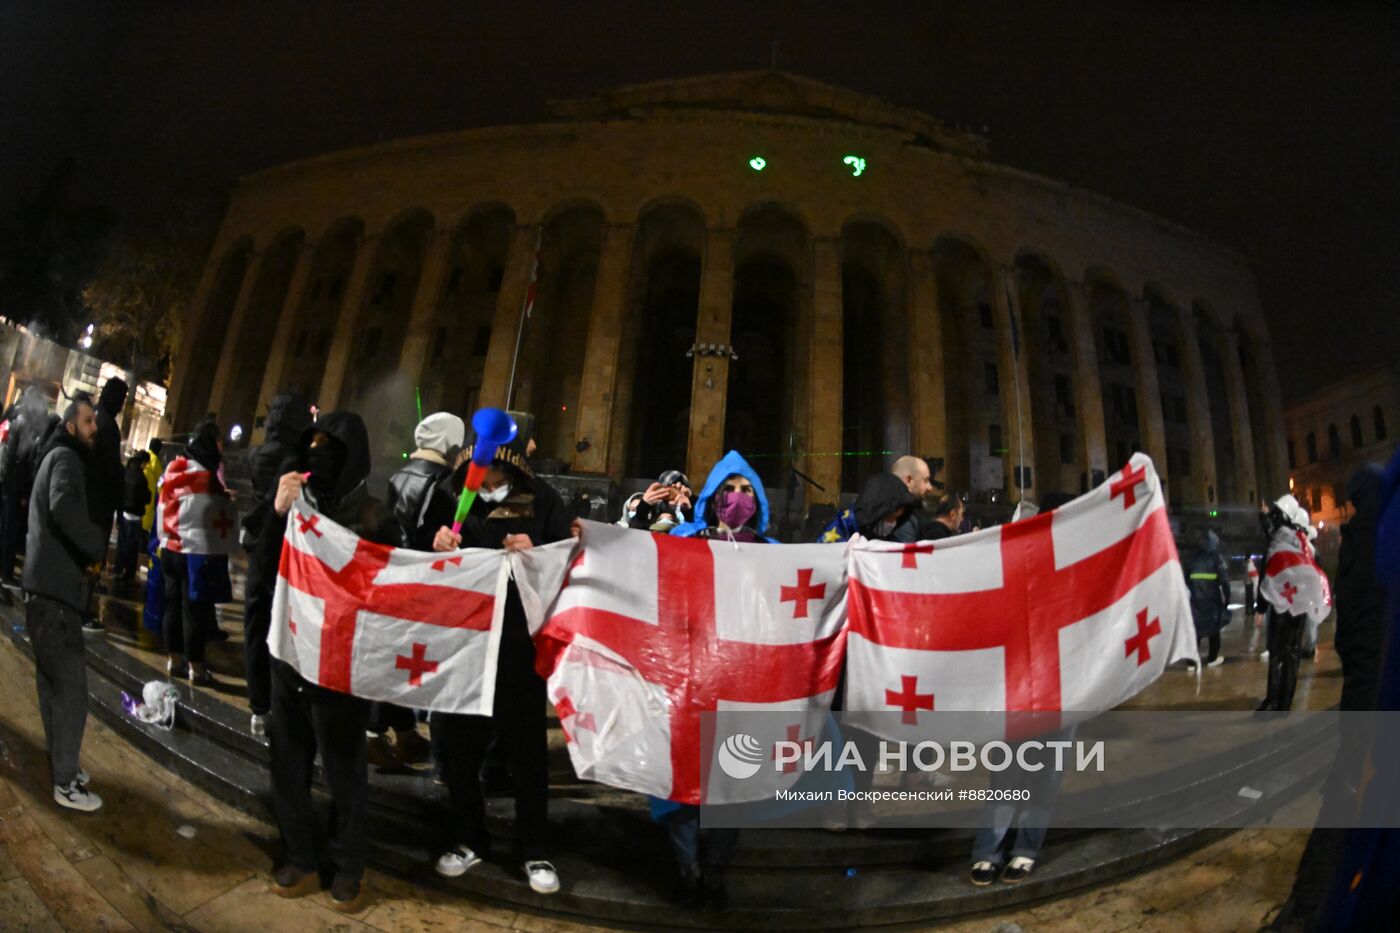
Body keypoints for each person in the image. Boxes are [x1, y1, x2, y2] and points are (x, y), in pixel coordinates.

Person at [256, 410, 397, 912]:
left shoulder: (375, 514)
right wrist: (276, 513)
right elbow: (261, 568)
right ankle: (300, 855)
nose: (317, 452)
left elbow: (395, 588)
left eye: (328, 445)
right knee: (288, 766)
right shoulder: (295, 503)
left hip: (341, 671)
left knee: (344, 775)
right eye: (311, 444)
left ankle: (349, 865)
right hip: (290, 659)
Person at [425, 418, 572, 896]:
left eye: (495, 471)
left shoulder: (544, 500)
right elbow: (412, 550)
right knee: (461, 748)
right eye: (479, 468)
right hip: (462, 644)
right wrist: (435, 544)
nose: (487, 478)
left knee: (527, 752)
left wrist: (539, 551)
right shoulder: (448, 496)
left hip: (518, 649)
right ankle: (469, 838)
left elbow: (568, 561)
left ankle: (533, 848)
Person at [656, 449, 774, 906]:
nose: (739, 497)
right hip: (690, 679)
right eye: (731, 489)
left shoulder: (771, 553)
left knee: (731, 779)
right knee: (685, 777)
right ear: (713, 496)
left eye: (747, 490)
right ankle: (687, 866)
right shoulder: (685, 538)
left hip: (742, 682)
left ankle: (716, 868)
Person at [967, 491, 1076, 886]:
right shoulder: (1002, 579)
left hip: (1062, 688)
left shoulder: (1069, 575)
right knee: (1006, 772)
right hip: (1014, 689)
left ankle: (1026, 848)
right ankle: (989, 850)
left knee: (1045, 774)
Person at [23, 397, 107, 812]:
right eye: (89, 421)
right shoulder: (67, 460)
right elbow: (62, 506)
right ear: (72, 425)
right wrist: (95, 544)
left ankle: (61, 760)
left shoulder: (53, 453)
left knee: (52, 684)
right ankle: (66, 782)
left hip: (42, 590)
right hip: (55, 595)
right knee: (72, 691)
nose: (95, 428)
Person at [369, 411, 466, 767]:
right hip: (422, 579)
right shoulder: (444, 481)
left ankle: (405, 732)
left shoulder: (400, 473)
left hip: (393, 573)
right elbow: (436, 536)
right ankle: (373, 734)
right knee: (404, 656)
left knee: (395, 649)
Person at [239, 395, 312, 737]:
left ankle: (257, 705)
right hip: (284, 549)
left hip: (259, 550)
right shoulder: (295, 460)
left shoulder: (256, 454)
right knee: (282, 628)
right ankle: (280, 702)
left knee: (255, 625)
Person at [156, 421, 234, 687]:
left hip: (168, 548)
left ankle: (173, 660)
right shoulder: (206, 477)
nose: (220, 447)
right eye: (218, 441)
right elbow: (210, 515)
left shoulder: (172, 468)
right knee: (194, 611)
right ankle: (197, 668)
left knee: (172, 606)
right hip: (192, 553)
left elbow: (168, 505)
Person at [1256, 495, 1330, 712]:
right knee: (1292, 653)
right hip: (1299, 606)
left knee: (1278, 653)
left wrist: (1260, 606)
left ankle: (1273, 698)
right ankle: (1284, 703)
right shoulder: (1305, 545)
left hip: (1281, 605)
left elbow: (1267, 574)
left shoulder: (1279, 540)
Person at [1, 387, 51, 583]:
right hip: (14, 486)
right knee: (10, 530)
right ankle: (6, 572)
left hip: (8, 483)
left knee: (6, 527)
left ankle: (4, 569)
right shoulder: (26, 424)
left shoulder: (17, 420)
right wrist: (22, 491)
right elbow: (22, 459)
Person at [90, 377, 128, 559]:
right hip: (98, 503)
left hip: (85, 497)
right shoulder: (108, 426)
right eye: (122, 400)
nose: (122, 406)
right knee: (93, 552)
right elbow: (110, 470)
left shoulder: (90, 415)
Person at [1185, 529, 1231, 667]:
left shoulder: (1192, 558)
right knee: (1214, 629)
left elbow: (1185, 580)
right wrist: (1227, 597)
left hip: (1195, 600)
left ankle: (1191, 663)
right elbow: (1224, 579)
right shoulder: (1216, 557)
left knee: (1195, 630)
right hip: (1212, 599)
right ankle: (1212, 658)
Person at [113, 450, 151, 582]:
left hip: (123, 514)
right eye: (146, 464)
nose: (146, 466)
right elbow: (146, 498)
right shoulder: (142, 478)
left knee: (121, 544)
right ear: (142, 463)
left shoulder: (126, 472)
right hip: (135, 518)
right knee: (132, 548)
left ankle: (118, 569)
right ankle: (128, 575)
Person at [628, 468, 692, 533]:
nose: (672, 498)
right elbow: (635, 534)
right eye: (668, 490)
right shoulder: (651, 514)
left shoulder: (687, 514)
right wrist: (644, 507)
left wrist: (688, 509)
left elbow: (697, 535)